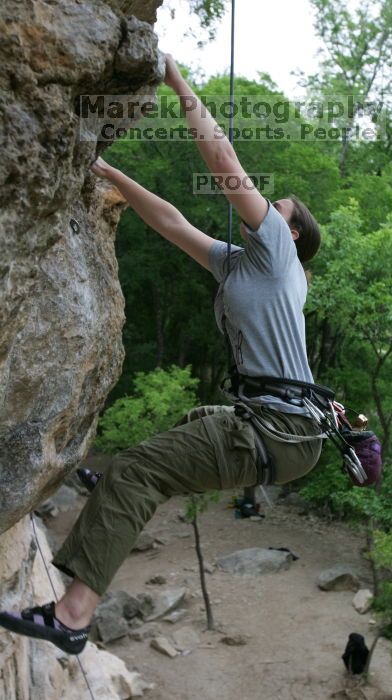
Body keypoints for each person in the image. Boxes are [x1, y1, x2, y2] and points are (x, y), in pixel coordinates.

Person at [0, 55, 323, 655]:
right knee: (198, 422)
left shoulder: (279, 252)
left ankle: (72, 618)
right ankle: (112, 491)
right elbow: (172, 223)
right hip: (283, 432)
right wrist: (111, 173)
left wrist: (177, 82)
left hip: (280, 428)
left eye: (277, 205)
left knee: (137, 473)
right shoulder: (241, 263)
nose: (264, 206)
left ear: (293, 232)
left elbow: (224, 163)